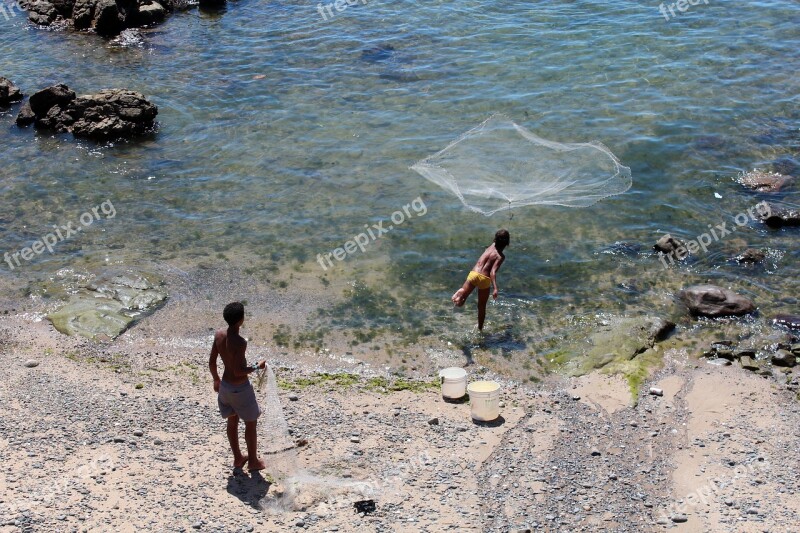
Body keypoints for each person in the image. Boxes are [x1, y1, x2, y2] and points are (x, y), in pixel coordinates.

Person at [209, 302, 267, 471]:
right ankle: (253, 462)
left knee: (232, 421)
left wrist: (216, 380)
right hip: (240, 389)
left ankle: (238, 458)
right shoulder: (240, 342)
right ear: (241, 320)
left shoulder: (219, 335)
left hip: (225, 387)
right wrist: (257, 366)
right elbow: (238, 370)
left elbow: (212, 361)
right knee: (250, 423)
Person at [451, 229, 510, 331]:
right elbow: (492, 272)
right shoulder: (500, 256)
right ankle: (480, 329)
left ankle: (459, 296)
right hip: (484, 278)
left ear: (495, 239)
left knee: (461, 301)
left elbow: (497, 241)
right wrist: (495, 288)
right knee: (481, 306)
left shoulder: (490, 246)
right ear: (507, 243)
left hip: (474, 274)